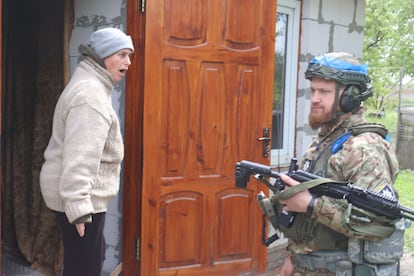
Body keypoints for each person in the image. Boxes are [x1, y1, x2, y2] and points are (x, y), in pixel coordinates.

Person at [276, 52, 404, 275]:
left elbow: (375, 223)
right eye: (313, 90)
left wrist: (310, 204)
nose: (315, 98)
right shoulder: (325, 140)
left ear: (350, 97)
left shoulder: (363, 148)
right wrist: (291, 257)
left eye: (324, 91)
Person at [39, 27, 134, 276]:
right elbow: (80, 157)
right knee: (84, 268)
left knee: (90, 258)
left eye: (129, 55)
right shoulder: (90, 96)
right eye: (122, 54)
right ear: (103, 55)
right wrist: (80, 209)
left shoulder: (91, 85)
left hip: (81, 196)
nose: (128, 62)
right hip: (82, 199)